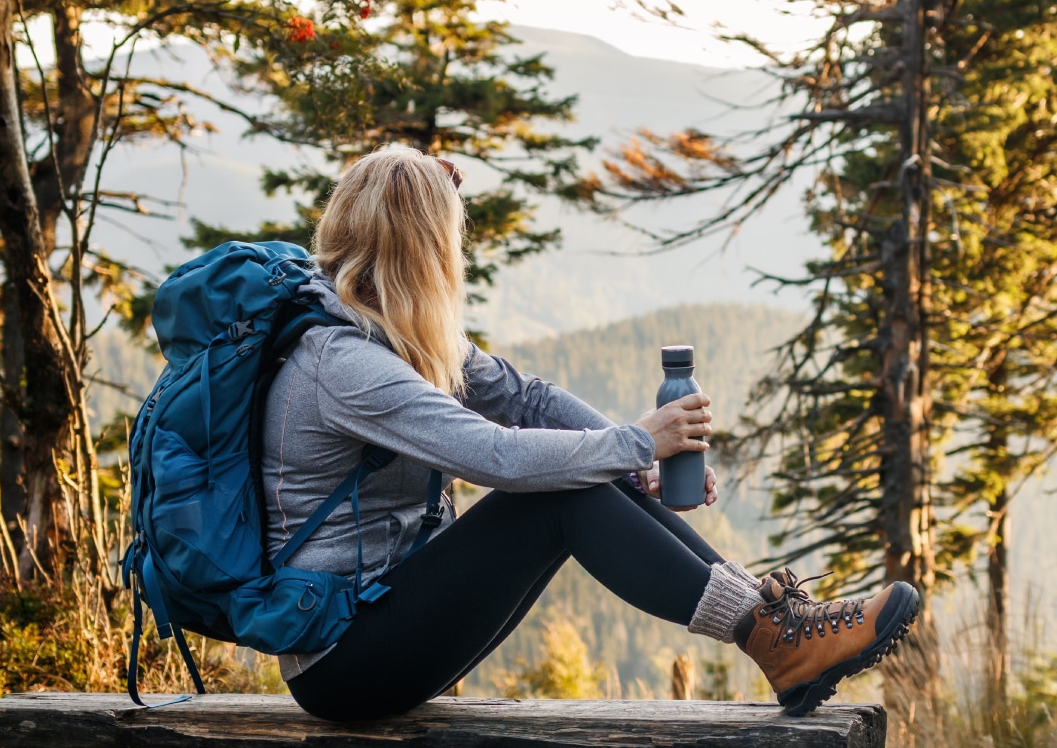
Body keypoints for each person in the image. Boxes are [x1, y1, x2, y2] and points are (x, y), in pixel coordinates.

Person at [261, 147, 919, 721]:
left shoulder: (393, 334)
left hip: (388, 620)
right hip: (343, 659)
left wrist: (635, 464)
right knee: (557, 491)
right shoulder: (343, 365)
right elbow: (499, 456)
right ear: (424, 250)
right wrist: (637, 442)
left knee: (588, 470)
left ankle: (777, 624)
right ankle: (771, 636)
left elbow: (529, 400)